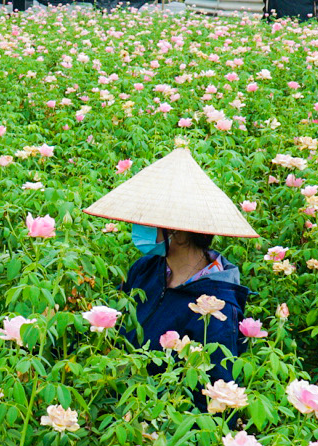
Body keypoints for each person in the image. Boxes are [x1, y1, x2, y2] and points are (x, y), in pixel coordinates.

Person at [85, 142, 256, 395]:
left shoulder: (218, 308)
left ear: (180, 234)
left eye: (150, 223)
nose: (139, 227)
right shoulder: (144, 269)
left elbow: (213, 397)